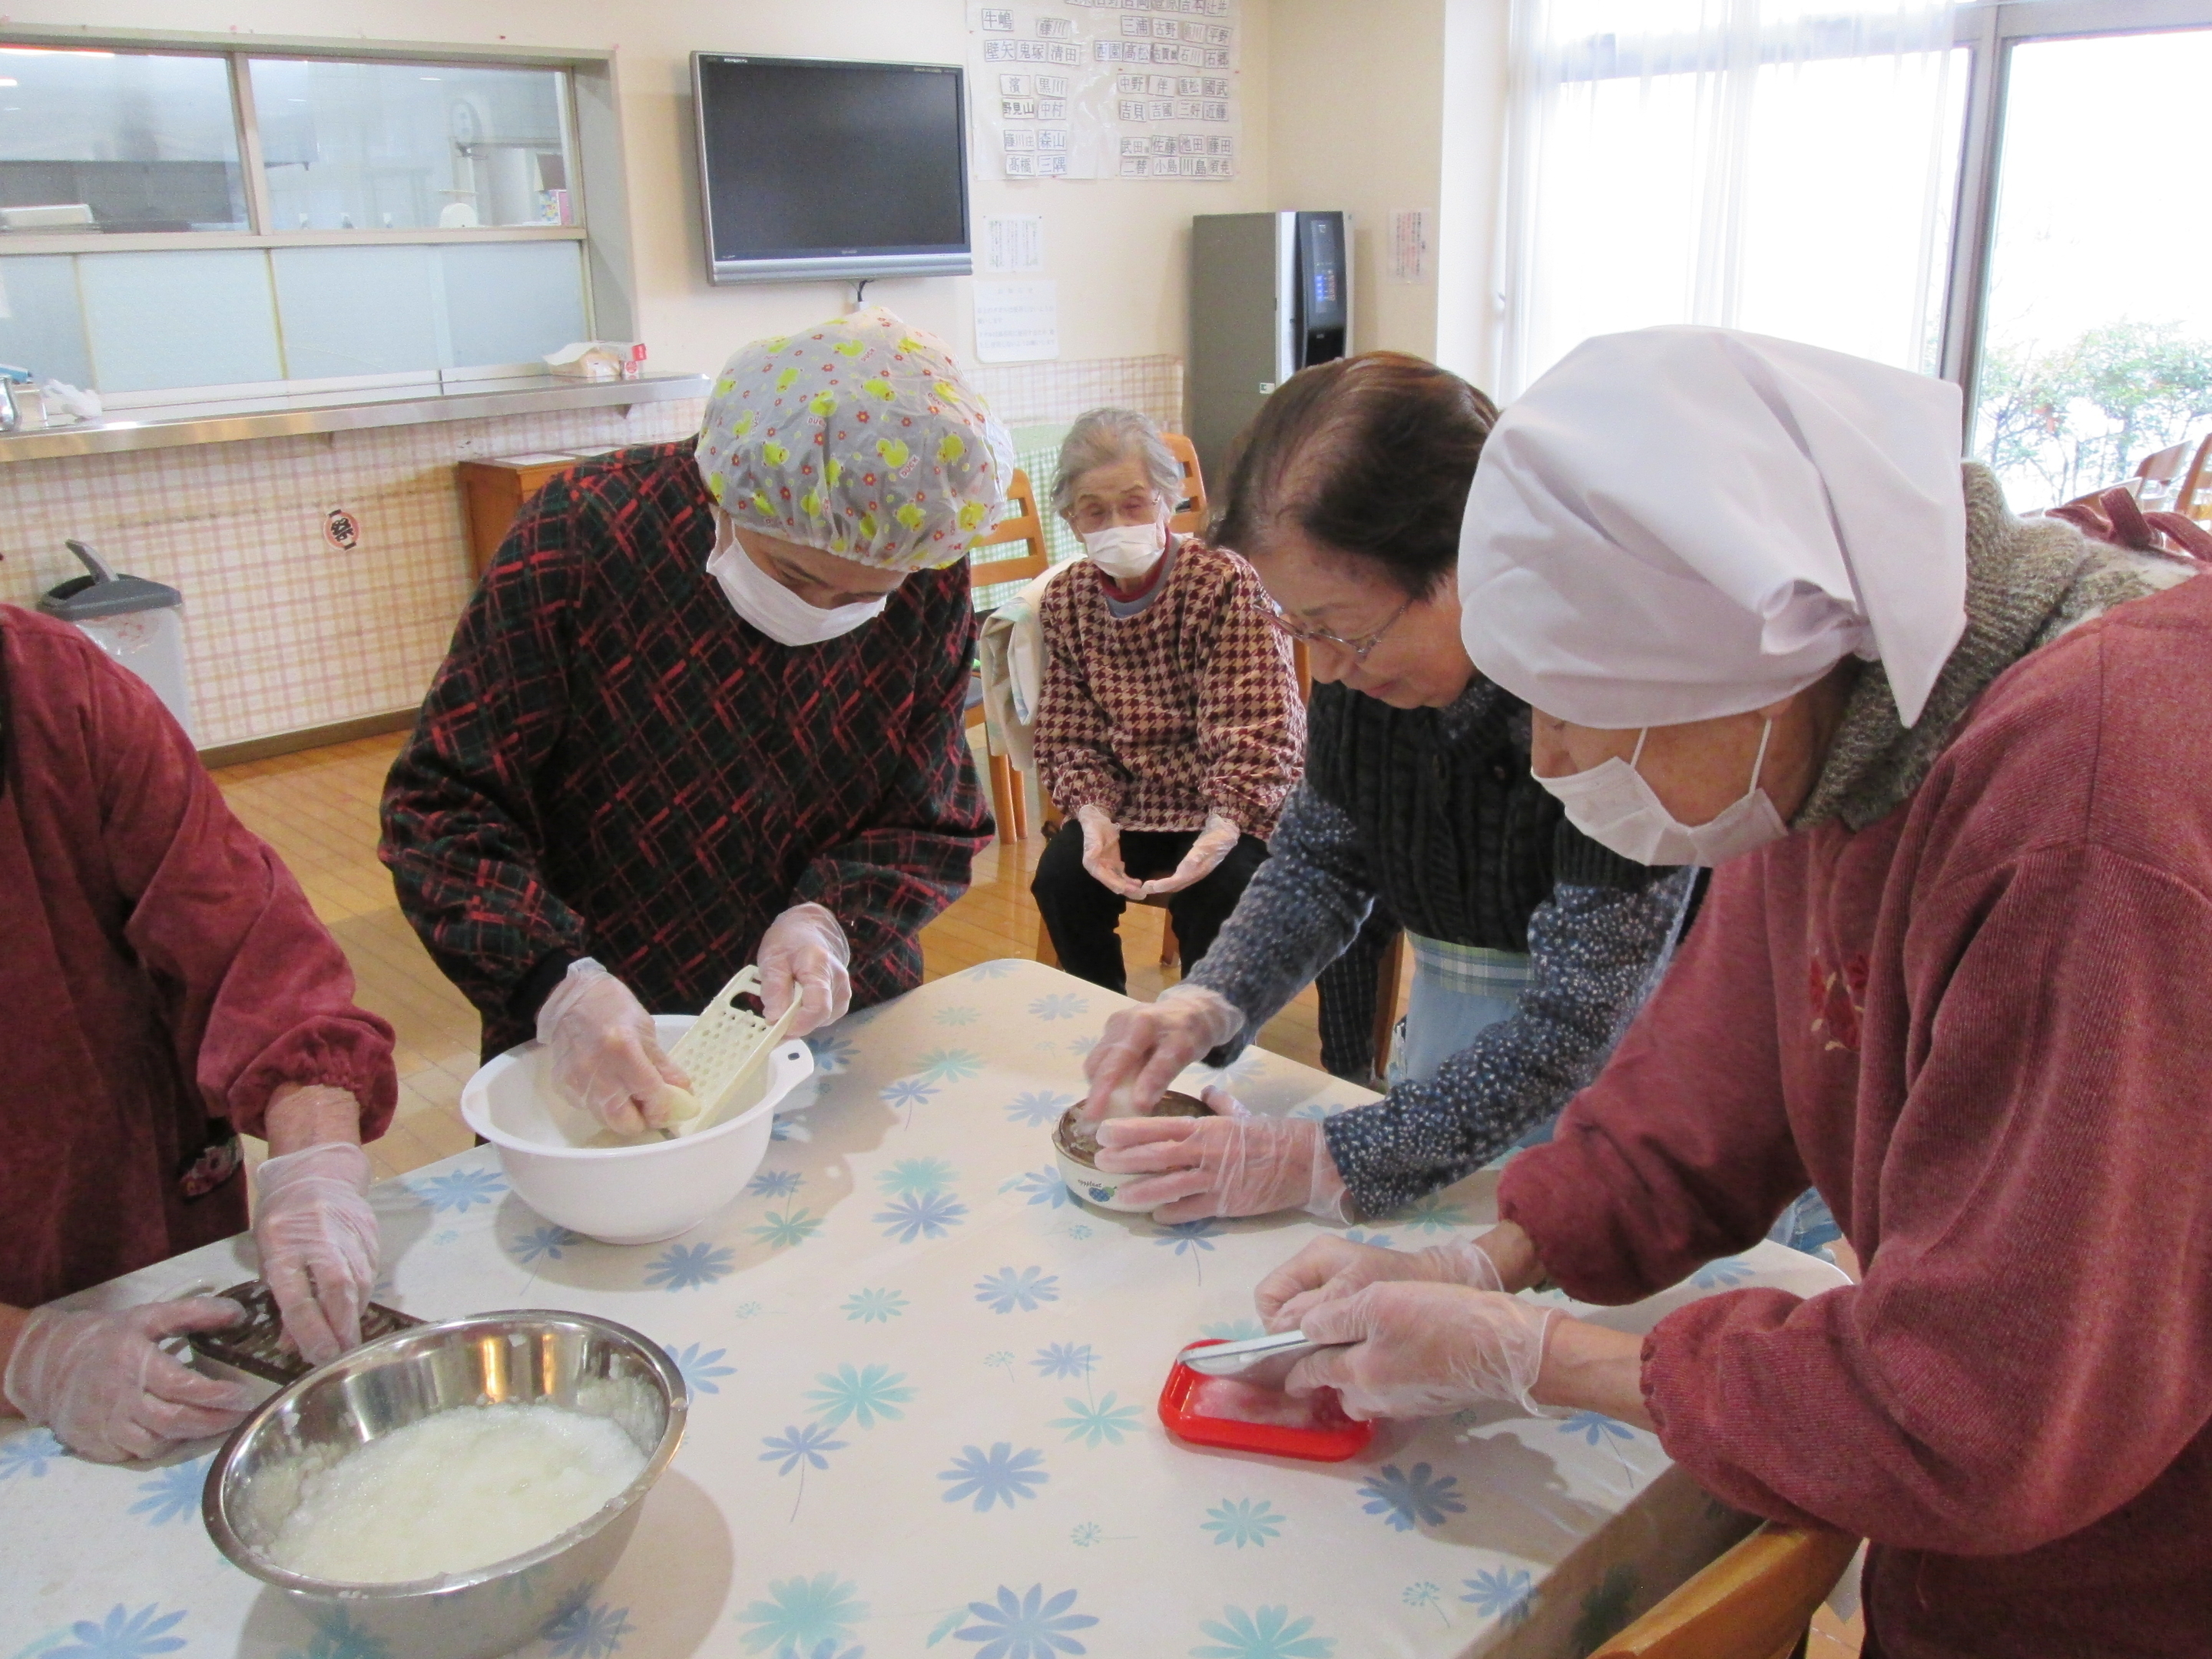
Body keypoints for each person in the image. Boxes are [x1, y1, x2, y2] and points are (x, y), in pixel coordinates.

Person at [1256, 326, 2211, 1655]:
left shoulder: (2093, 825)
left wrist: (1545, 1360)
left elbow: (1981, 1407)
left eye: (1585, 711)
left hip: (2138, 1571)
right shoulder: (1858, 709)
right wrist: (1494, 1253)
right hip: (1993, 1528)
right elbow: (1709, 1086)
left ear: (1753, 669)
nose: (1552, 761)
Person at [1074, 354, 1691, 1224]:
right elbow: (1323, 862)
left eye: (1344, 631)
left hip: (1640, 1084)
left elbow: (1576, 1020)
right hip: (1463, 1062)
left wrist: (1335, 1156)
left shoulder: (1605, 703)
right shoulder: (1377, 682)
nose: (1325, 667)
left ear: (1475, 559)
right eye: (1300, 629)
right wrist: (1208, 1001)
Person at [382, 309, 1012, 1134]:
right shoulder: (583, 536)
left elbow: (929, 817)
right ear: (722, 491)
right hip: (602, 1042)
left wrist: (831, 920)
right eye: (790, 571)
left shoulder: (925, 562)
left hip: (824, 1027)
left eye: (861, 597)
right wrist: (552, 980)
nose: (817, 610)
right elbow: (444, 807)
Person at [0, 608, 396, 1462]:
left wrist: (315, 1165)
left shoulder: (54, 688)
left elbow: (250, 944)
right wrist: (28, 1357)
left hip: (140, 1226)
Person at [1029, 407, 1303, 994]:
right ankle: (1101, 1014)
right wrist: (1092, 813)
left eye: (1134, 503)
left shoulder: (1222, 582)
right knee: (1060, 880)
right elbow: (1066, 732)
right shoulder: (1067, 600)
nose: (1116, 523)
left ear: (1167, 501)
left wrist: (1226, 821)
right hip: (1129, 799)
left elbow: (1259, 726)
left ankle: (1212, 1041)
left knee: (1220, 891)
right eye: (1094, 510)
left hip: (1222, 797)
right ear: (1071, 519)